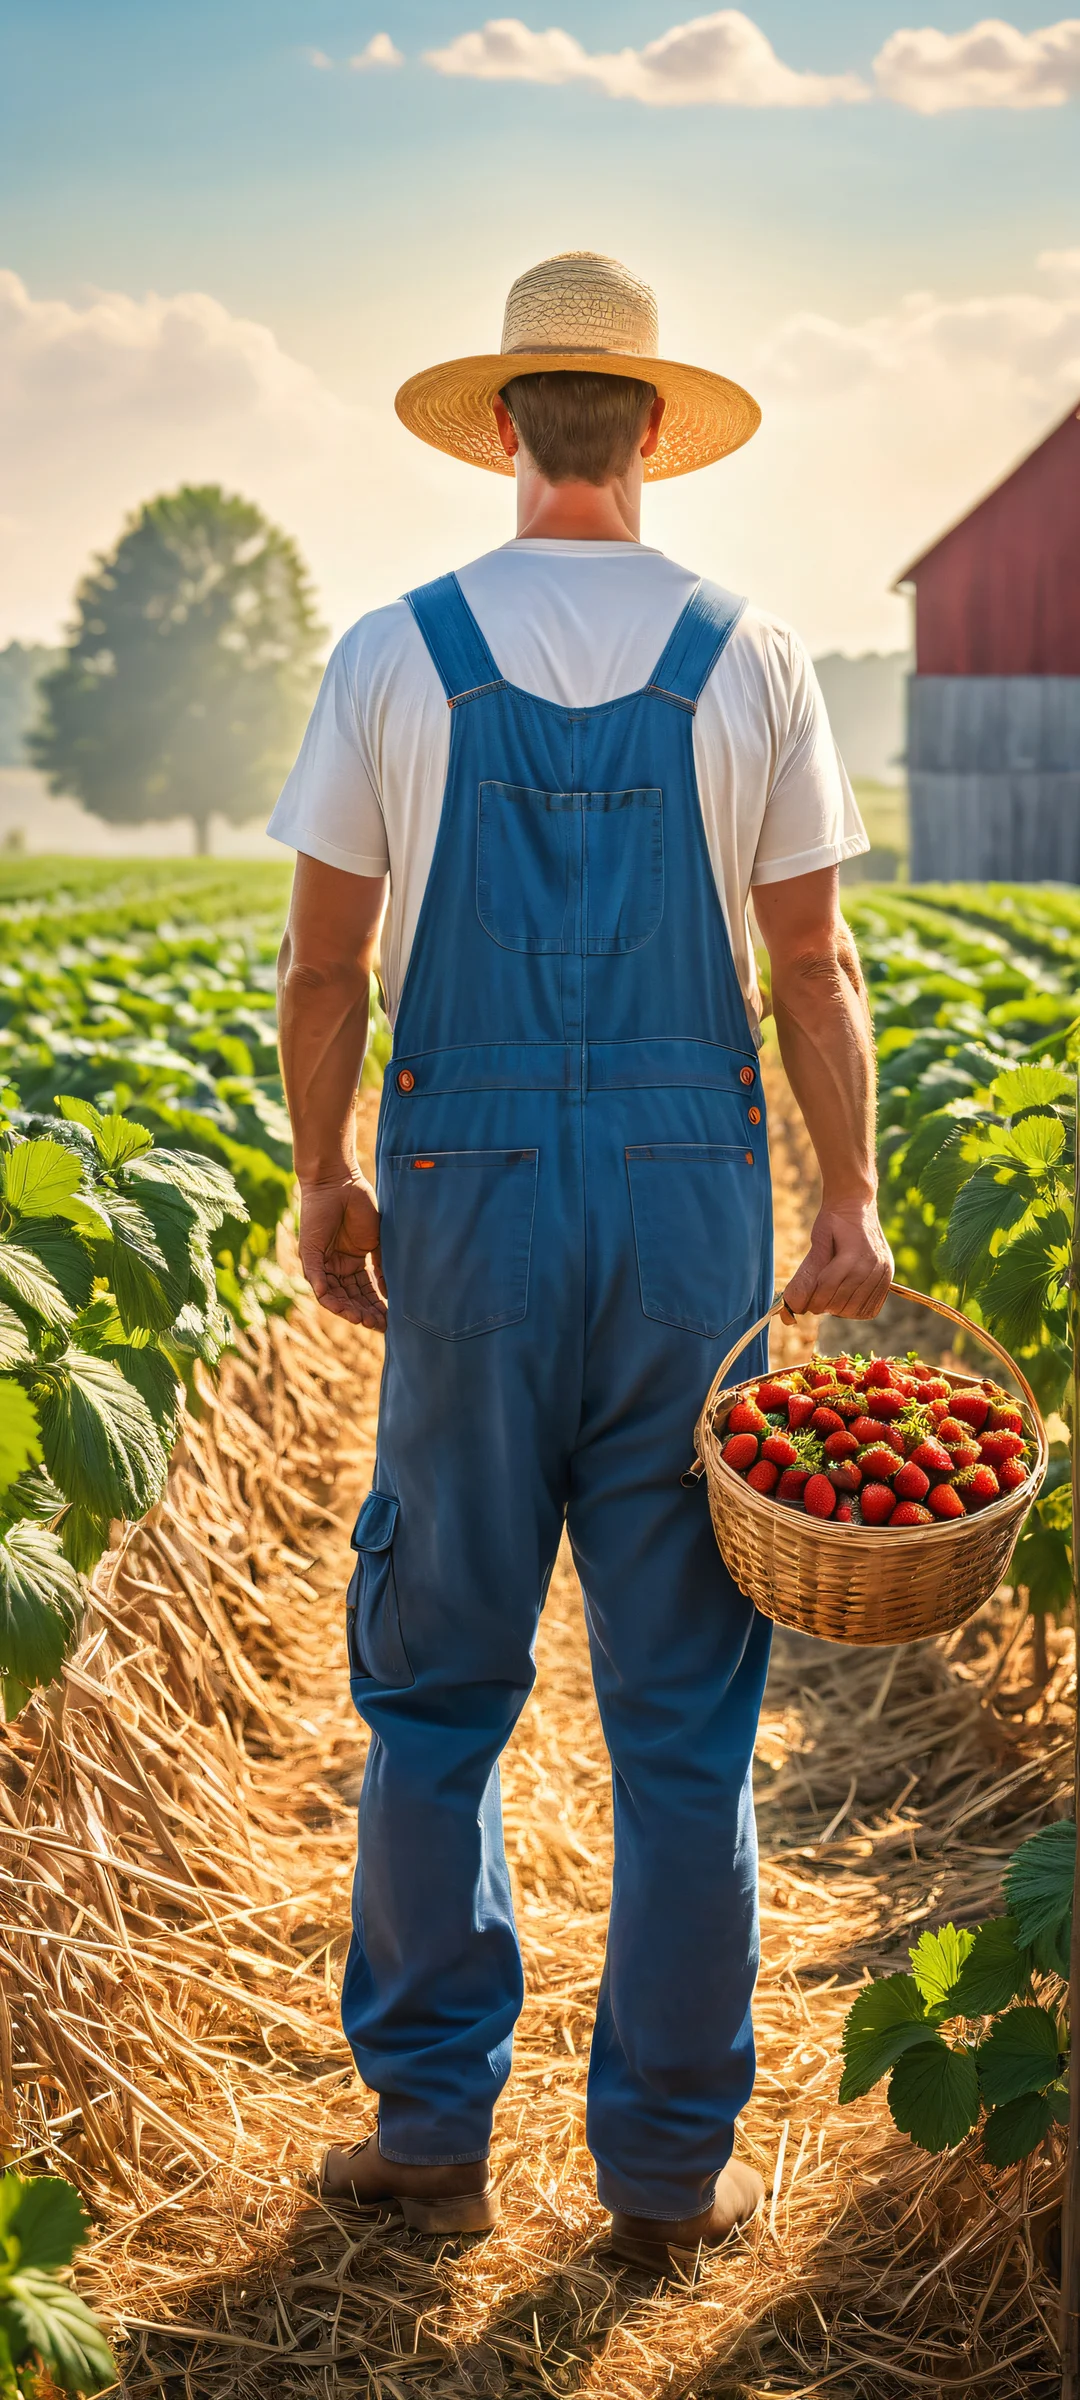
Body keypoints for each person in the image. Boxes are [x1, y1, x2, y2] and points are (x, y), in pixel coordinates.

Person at [269, 251, 893, 2272]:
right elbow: (811, 965)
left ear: (507, 431)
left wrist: (326, 1179)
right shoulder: (754, 655)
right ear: (643, 436)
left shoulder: (391, 649)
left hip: (464, 1193)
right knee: (687, 1711)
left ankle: (432, 2122)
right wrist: (848, 1205)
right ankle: (667, 2170)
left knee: (439, 1688)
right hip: (683, 1199)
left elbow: (325, 967)